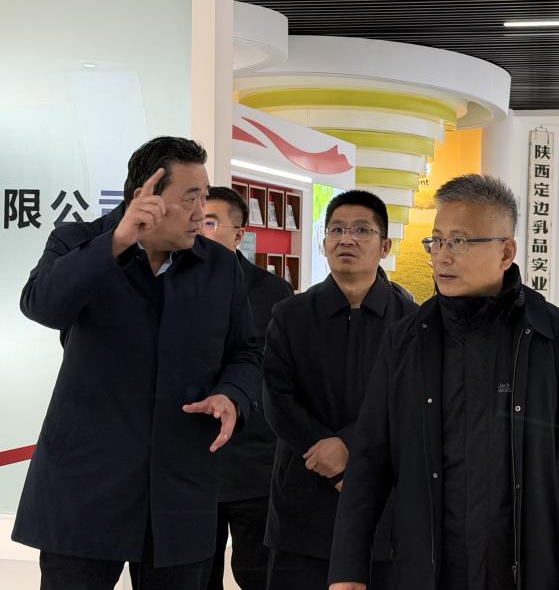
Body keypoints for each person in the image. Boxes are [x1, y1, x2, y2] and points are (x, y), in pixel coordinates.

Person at [328, 174, 559, 590]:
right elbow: (370, 460)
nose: (442, 257)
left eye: (460, 242)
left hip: (529, 570)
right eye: (436, 241)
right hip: (427, 571)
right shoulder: (406, 340)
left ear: (506, 252)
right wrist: (347, 571)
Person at [12, 137, 263, 590]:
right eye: (190, 198)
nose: (201, 213)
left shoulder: (220, 267)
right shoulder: (78, 241)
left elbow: (248, 350)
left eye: (205, 198)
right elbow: (41, 305)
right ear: (144, 197)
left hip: (180, 489)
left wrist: (232, 394)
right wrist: (118, 241)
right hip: (86, 485)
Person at [263, 190, 417, 589]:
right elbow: (277, 400)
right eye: (336, 230)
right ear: (324, 241)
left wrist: (348, 445)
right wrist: (325, 453)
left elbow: (412, 403)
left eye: (362, 230)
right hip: (304, 496)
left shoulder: (411, 322)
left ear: (384, 246)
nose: (346, 239)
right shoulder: (290, 315)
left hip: (383, 501)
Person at [199, 186, 293, 590]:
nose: (200, 229)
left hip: (255, 459)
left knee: (258, 572)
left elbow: (277, 372)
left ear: (239, 234)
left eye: (211, 222)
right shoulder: (170, 283)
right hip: (194, 458)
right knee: (196, 573)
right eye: (196, 219)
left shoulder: (273, 292)